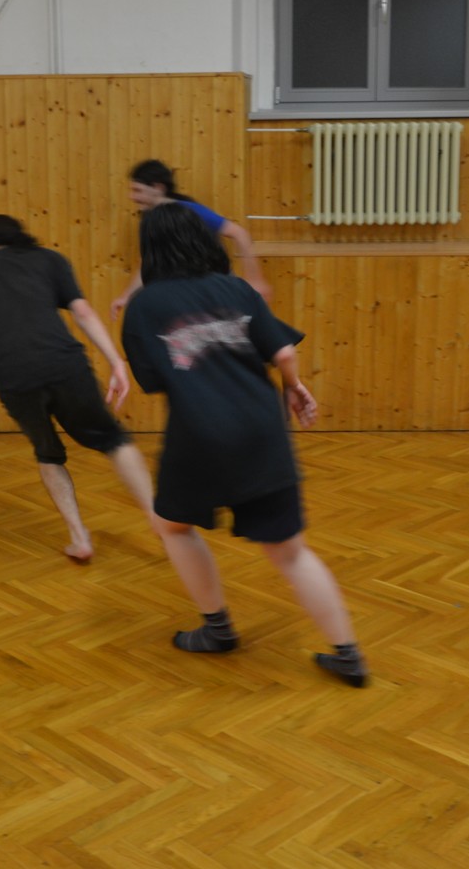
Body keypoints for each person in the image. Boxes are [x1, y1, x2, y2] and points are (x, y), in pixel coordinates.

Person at [121, 202, 367, 687]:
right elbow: (284, 352)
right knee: (291, 552)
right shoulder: (236, 288)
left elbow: (152, 379)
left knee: (171, 526)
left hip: (199, 433)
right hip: (263, 429)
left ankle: (217, 630)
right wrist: (294, 387)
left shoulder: (145, 305)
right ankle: (348, 655)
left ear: (150, 250)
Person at [0, 214, 156, 563]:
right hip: (63, 364)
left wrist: (12, 377)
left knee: (47, 452)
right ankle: (158, 520)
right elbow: (83, 313)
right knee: (114, 440)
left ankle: (80, 539)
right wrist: (116, 362)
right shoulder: (51, 259)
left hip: (13, 377)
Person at [110, 159, 271, 319]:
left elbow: (240, 233)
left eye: (137, 190)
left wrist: (255, 280)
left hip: (214, 288)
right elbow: (147, 262)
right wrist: (126, 296)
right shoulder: (151, 221)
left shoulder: (189, 211)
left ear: (158, 188)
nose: (132, 196)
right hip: (188, 292)